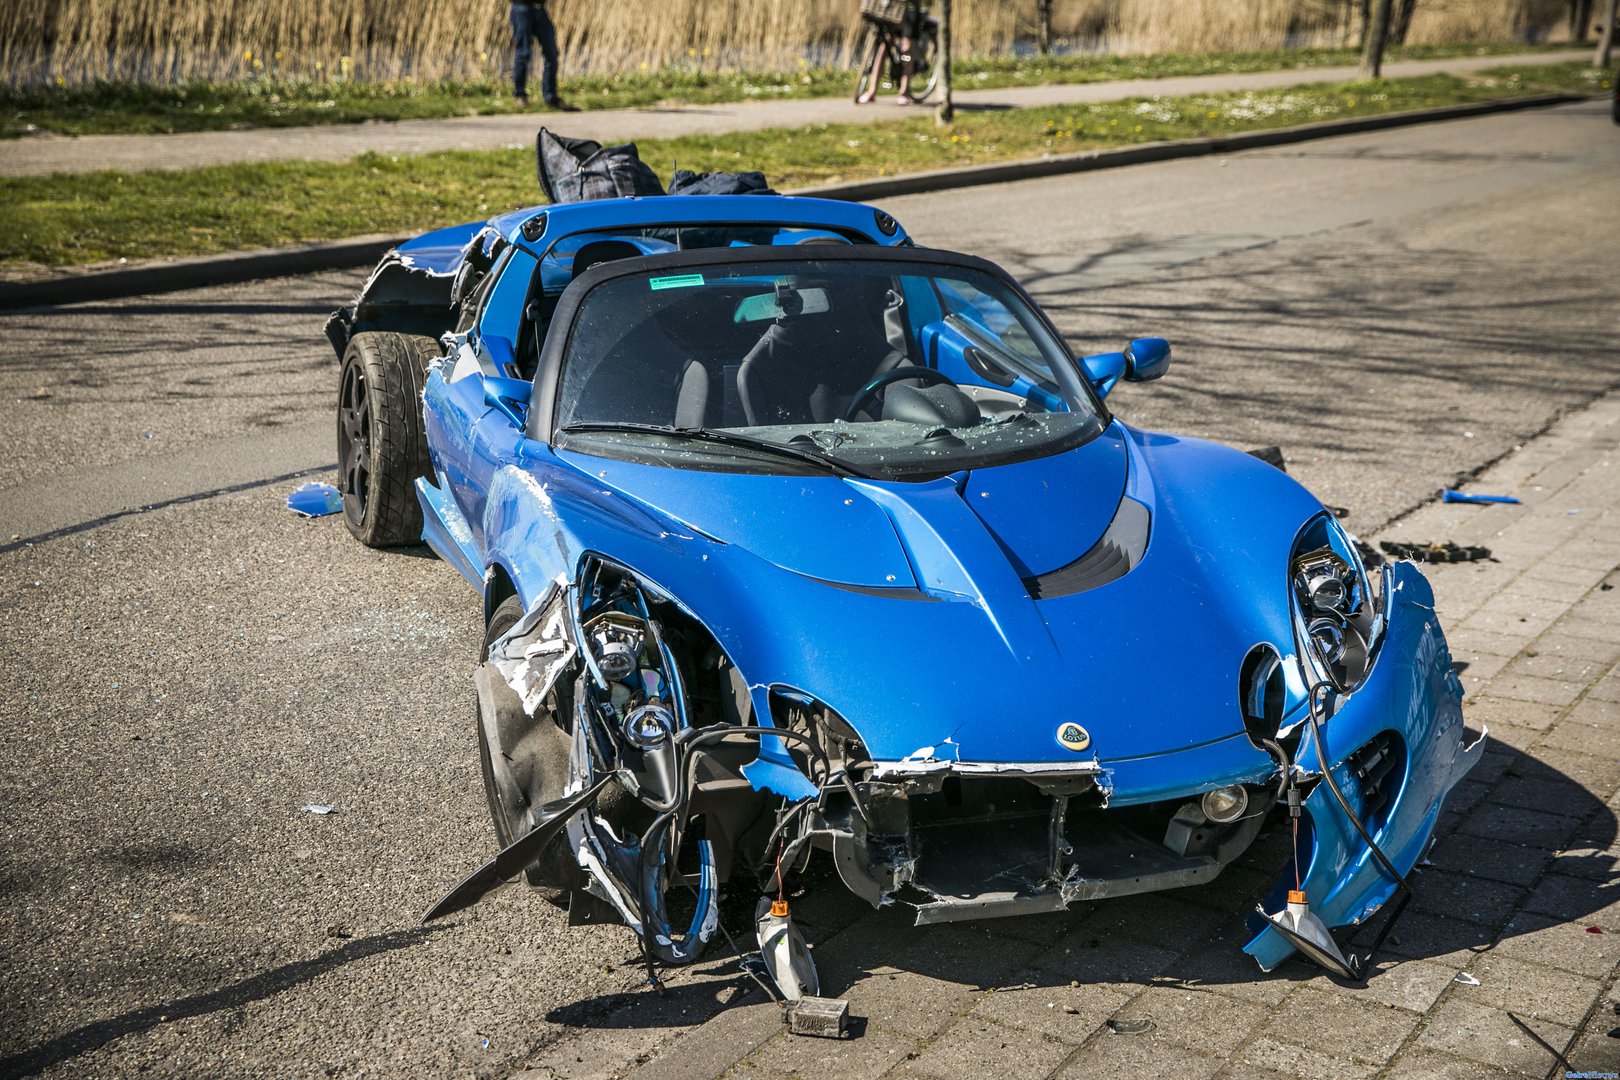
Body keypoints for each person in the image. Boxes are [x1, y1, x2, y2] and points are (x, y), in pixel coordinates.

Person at [856, 0, 924, 105]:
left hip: (910, 9)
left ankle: (904, 92)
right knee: (884, 45)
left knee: (907, 48)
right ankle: (872, 91)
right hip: (893, 9)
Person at [510, 0, 575, 110]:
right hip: (521, 8)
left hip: (540, 9)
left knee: (552, 54)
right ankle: (519, 94)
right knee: (523, 53)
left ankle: (550, 96)